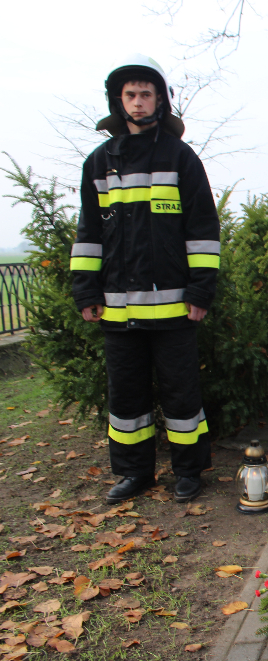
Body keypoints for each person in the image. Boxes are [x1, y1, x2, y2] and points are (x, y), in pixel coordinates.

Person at [70, 55, 220, 505]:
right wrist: (85, 291)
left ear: (160, 100)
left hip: (175, 310)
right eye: (130, 95)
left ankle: (189, 472)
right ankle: (135, 474)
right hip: (117, 312)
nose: (138, 103)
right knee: (127, 400)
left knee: (181, 396)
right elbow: (88, 233)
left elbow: (203, 230)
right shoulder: (99, 162)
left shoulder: (180, 158)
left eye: (146, 94)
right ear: (120, 101)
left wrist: (200, 291)